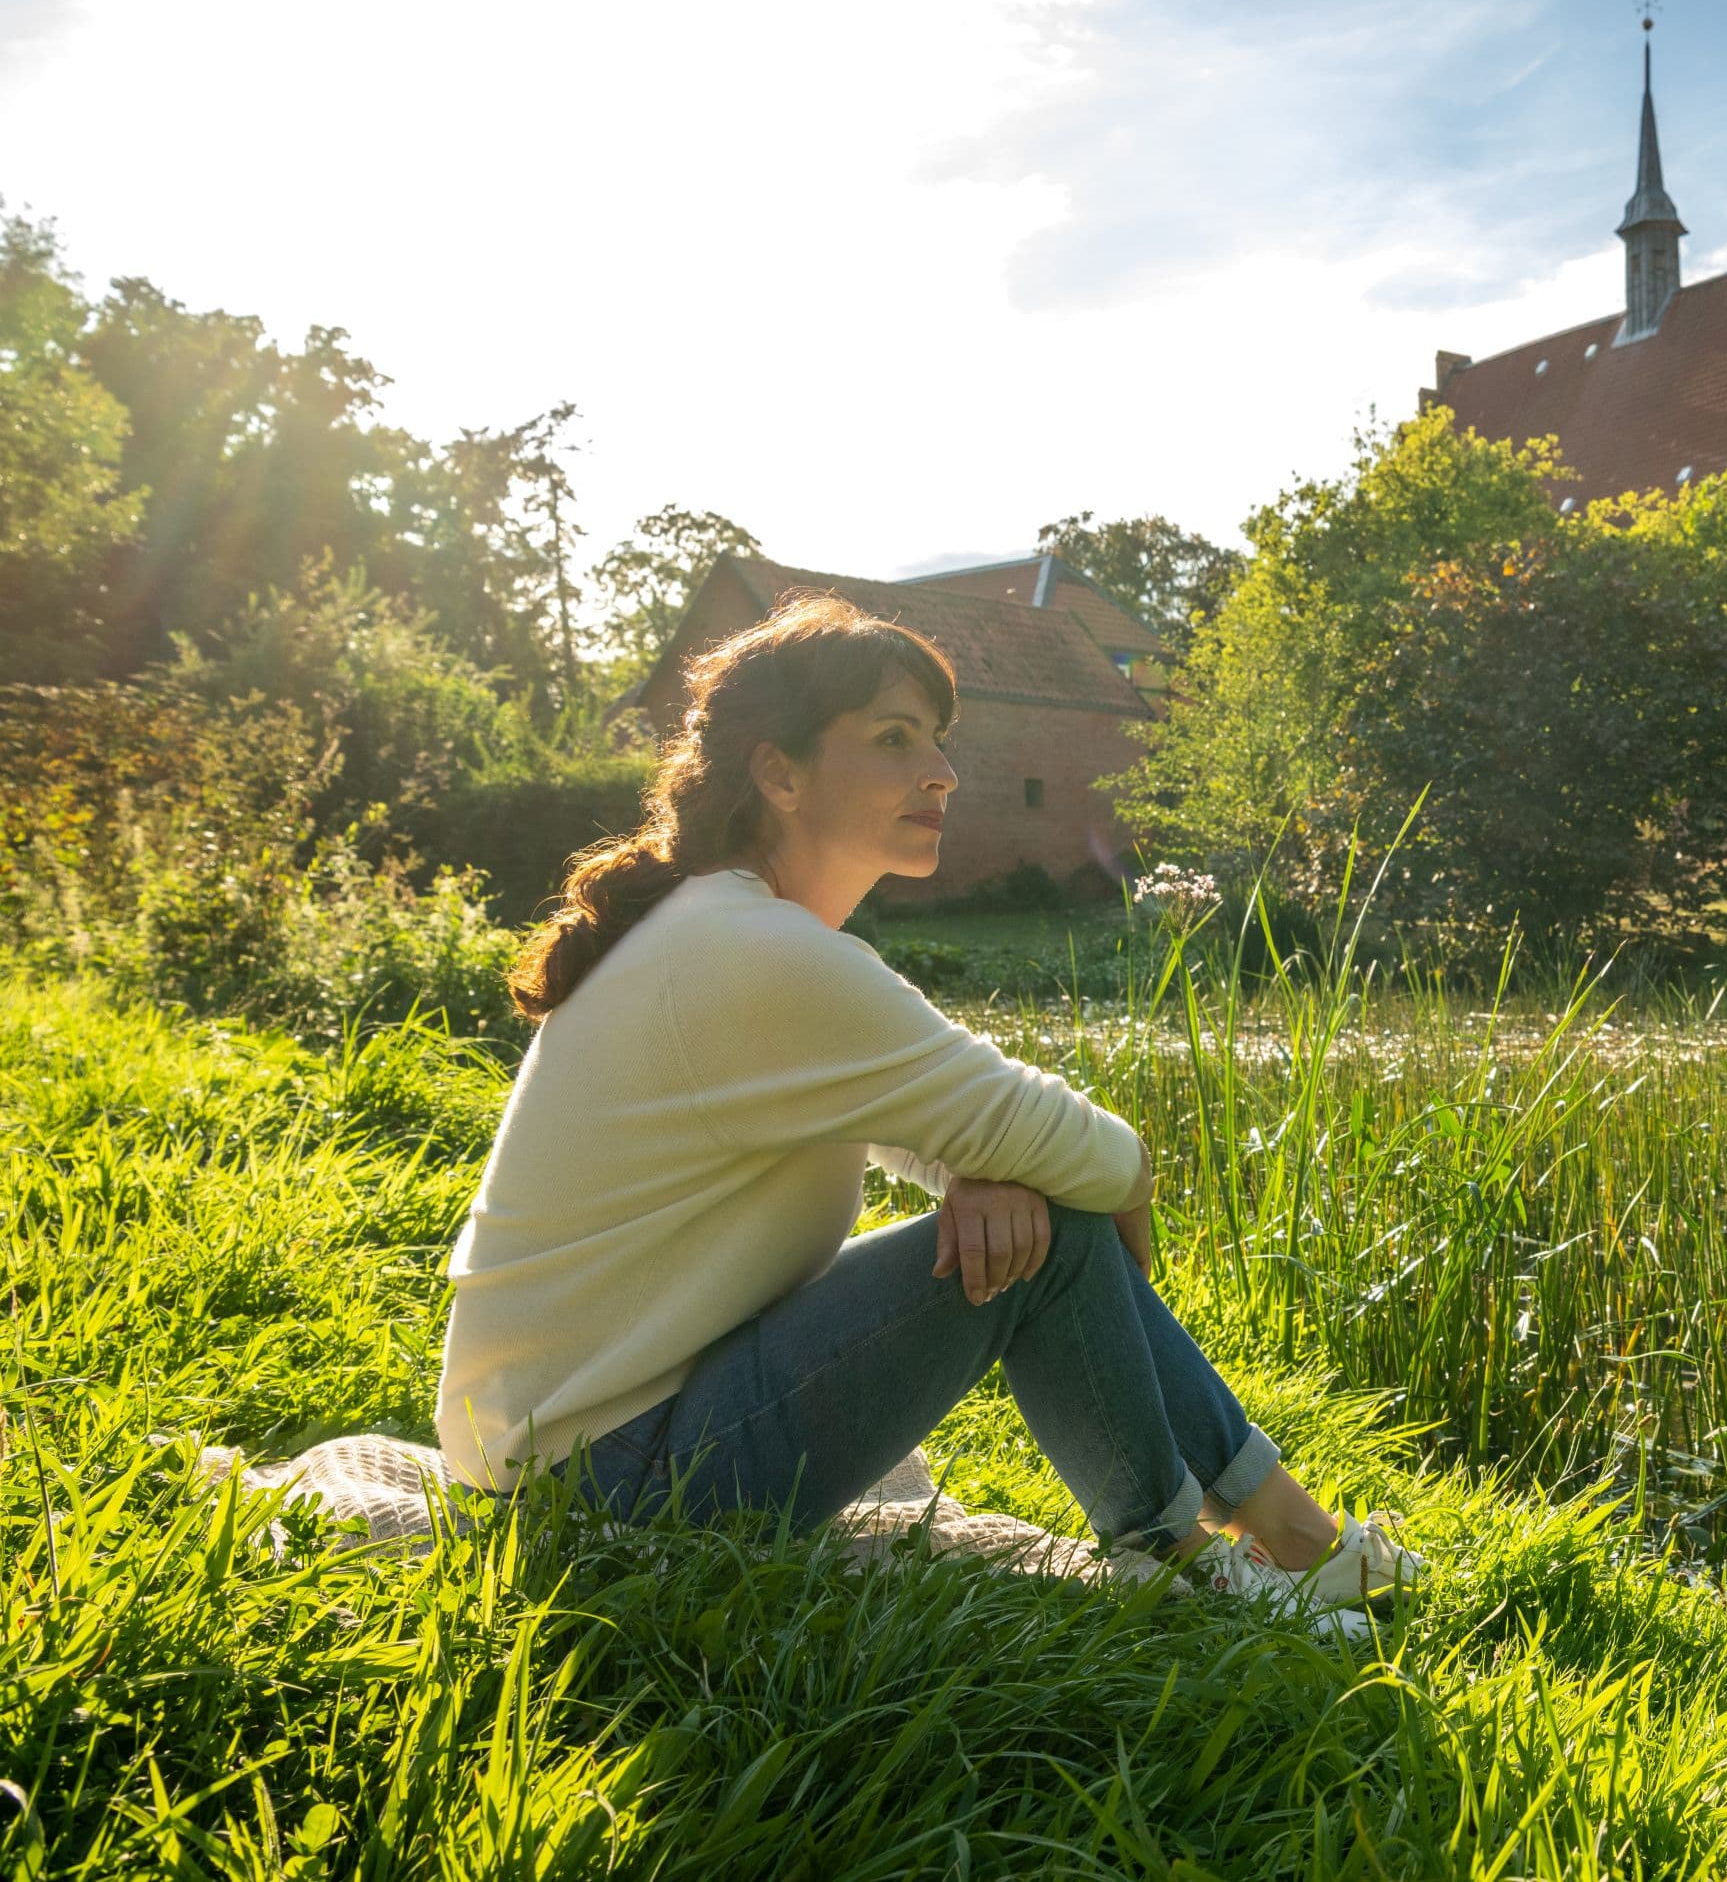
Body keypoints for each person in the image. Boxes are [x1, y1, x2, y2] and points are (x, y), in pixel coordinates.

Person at [433, 592, 1415, 1623]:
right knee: (1061, 1227)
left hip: (561, 1461)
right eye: (894, 740)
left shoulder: (720, 932)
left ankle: (1280, 1542)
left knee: (1038, 1202)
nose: (940, 770)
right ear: (780, 771)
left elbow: (968, 1126)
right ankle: (1205, 1560)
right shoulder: (760, 955)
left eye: (938, 741)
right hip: (609, 1490)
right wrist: (1057, 1200)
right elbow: (1110, 1160)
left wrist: (989, 1168)